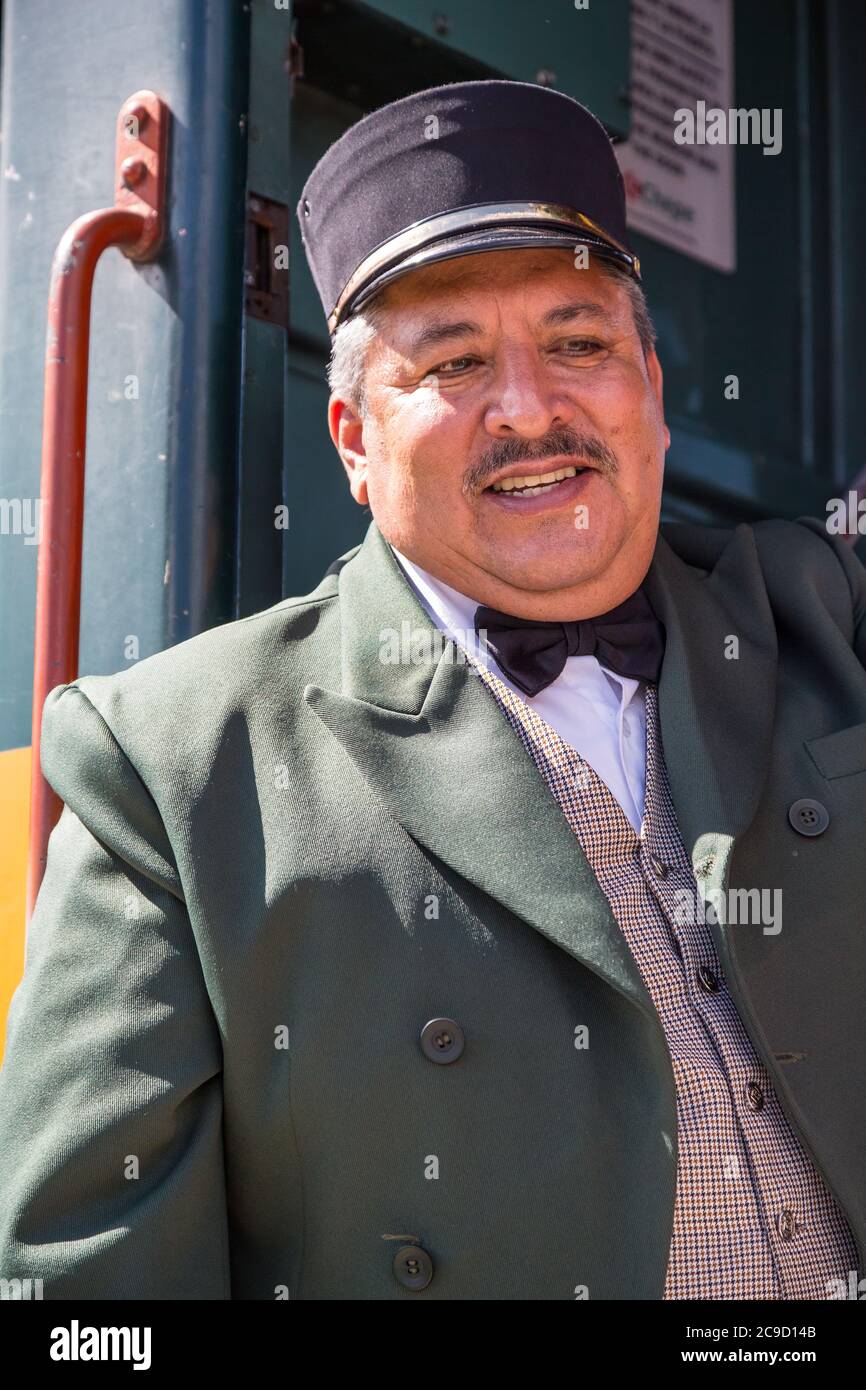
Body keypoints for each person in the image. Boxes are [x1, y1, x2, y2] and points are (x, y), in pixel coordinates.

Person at [0, 79, 864, 1301]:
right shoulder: (175, 760)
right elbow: (88, 1288)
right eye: (453, 363)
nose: (530, 409)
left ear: (652, 391)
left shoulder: (827, 610)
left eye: (578, 344)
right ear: (353, 440)